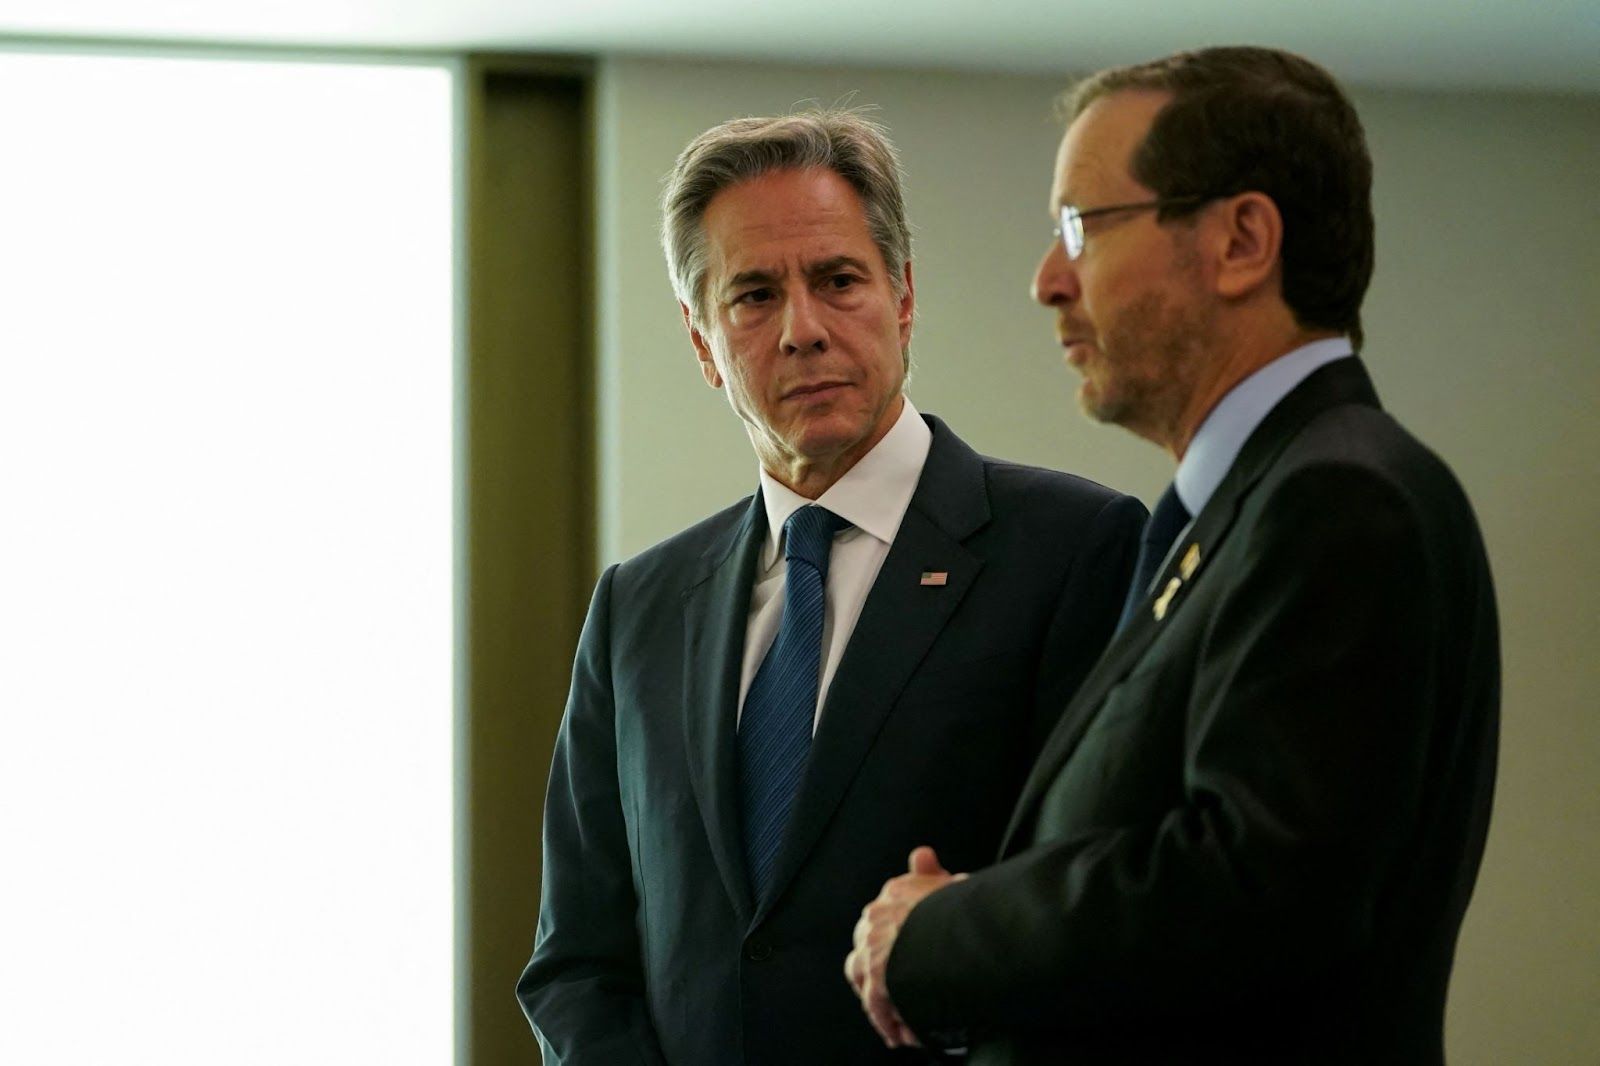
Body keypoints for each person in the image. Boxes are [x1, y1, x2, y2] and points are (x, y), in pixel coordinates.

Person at [846, 47, 1500, 1065]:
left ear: (1241, 240)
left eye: (1080, 226)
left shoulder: (1335, 501)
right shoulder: (1250, 505)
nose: (1045, 280)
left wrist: (945, 936)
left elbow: (1249, 890)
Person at [515, 109, 1146, 1065]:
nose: (802, 330)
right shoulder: (636, 610)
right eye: (753, 296)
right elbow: (578, 963)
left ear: (902, 297)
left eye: (838, 280)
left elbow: (1101, 911)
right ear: (701, 343)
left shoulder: (1075, 551)